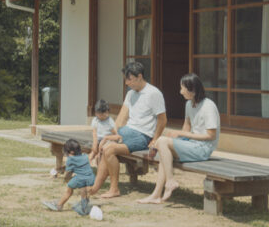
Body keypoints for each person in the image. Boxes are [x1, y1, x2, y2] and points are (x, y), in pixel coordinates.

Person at [88, 61, 167, 199]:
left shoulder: (154, 93)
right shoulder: (131, 94)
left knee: (109, 149)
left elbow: (162, 120)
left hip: (143, 136)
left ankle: (113, 189)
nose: (126, 83)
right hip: (127, 132)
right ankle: (95, 187)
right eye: (126, 79)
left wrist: (154, 140)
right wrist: (112, 134)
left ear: (139, 76)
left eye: (129, 79)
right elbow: (121, 118)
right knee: (106, 146)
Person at [138, 73, 220, 204]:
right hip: (192, 144)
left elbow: (211, 135)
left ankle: (169, 181)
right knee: (162, 144)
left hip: (203, 148)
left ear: (192, 89)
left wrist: (181, 135)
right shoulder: (189, 104)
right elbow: (186, 126)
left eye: (183, 88)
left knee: (162, 141)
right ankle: (156, 194)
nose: (180, 92)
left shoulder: (208, 106)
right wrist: (174, 140)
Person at [42, 138, 94, 215]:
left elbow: (68, 173)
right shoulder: (85, 156)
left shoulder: (70, 159)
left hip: (80, 178)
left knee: (69, 191)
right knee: (83, 188)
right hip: (91, 178)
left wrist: (67, 181)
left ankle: (59, 205)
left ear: (71, 152)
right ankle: (84, 206)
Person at [88, 99, 119, 164]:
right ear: (96, 113)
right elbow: (94, 133)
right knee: (93, 152)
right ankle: (87, 164)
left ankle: (98, 162)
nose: (103, 116)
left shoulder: (109, 121)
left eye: (105, 113)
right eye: (100, 114)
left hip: (107, 141)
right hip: (99, 140)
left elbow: (116, 135)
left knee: (101, 153)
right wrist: (95, 144)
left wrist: (106, 139)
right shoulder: (95, 120)